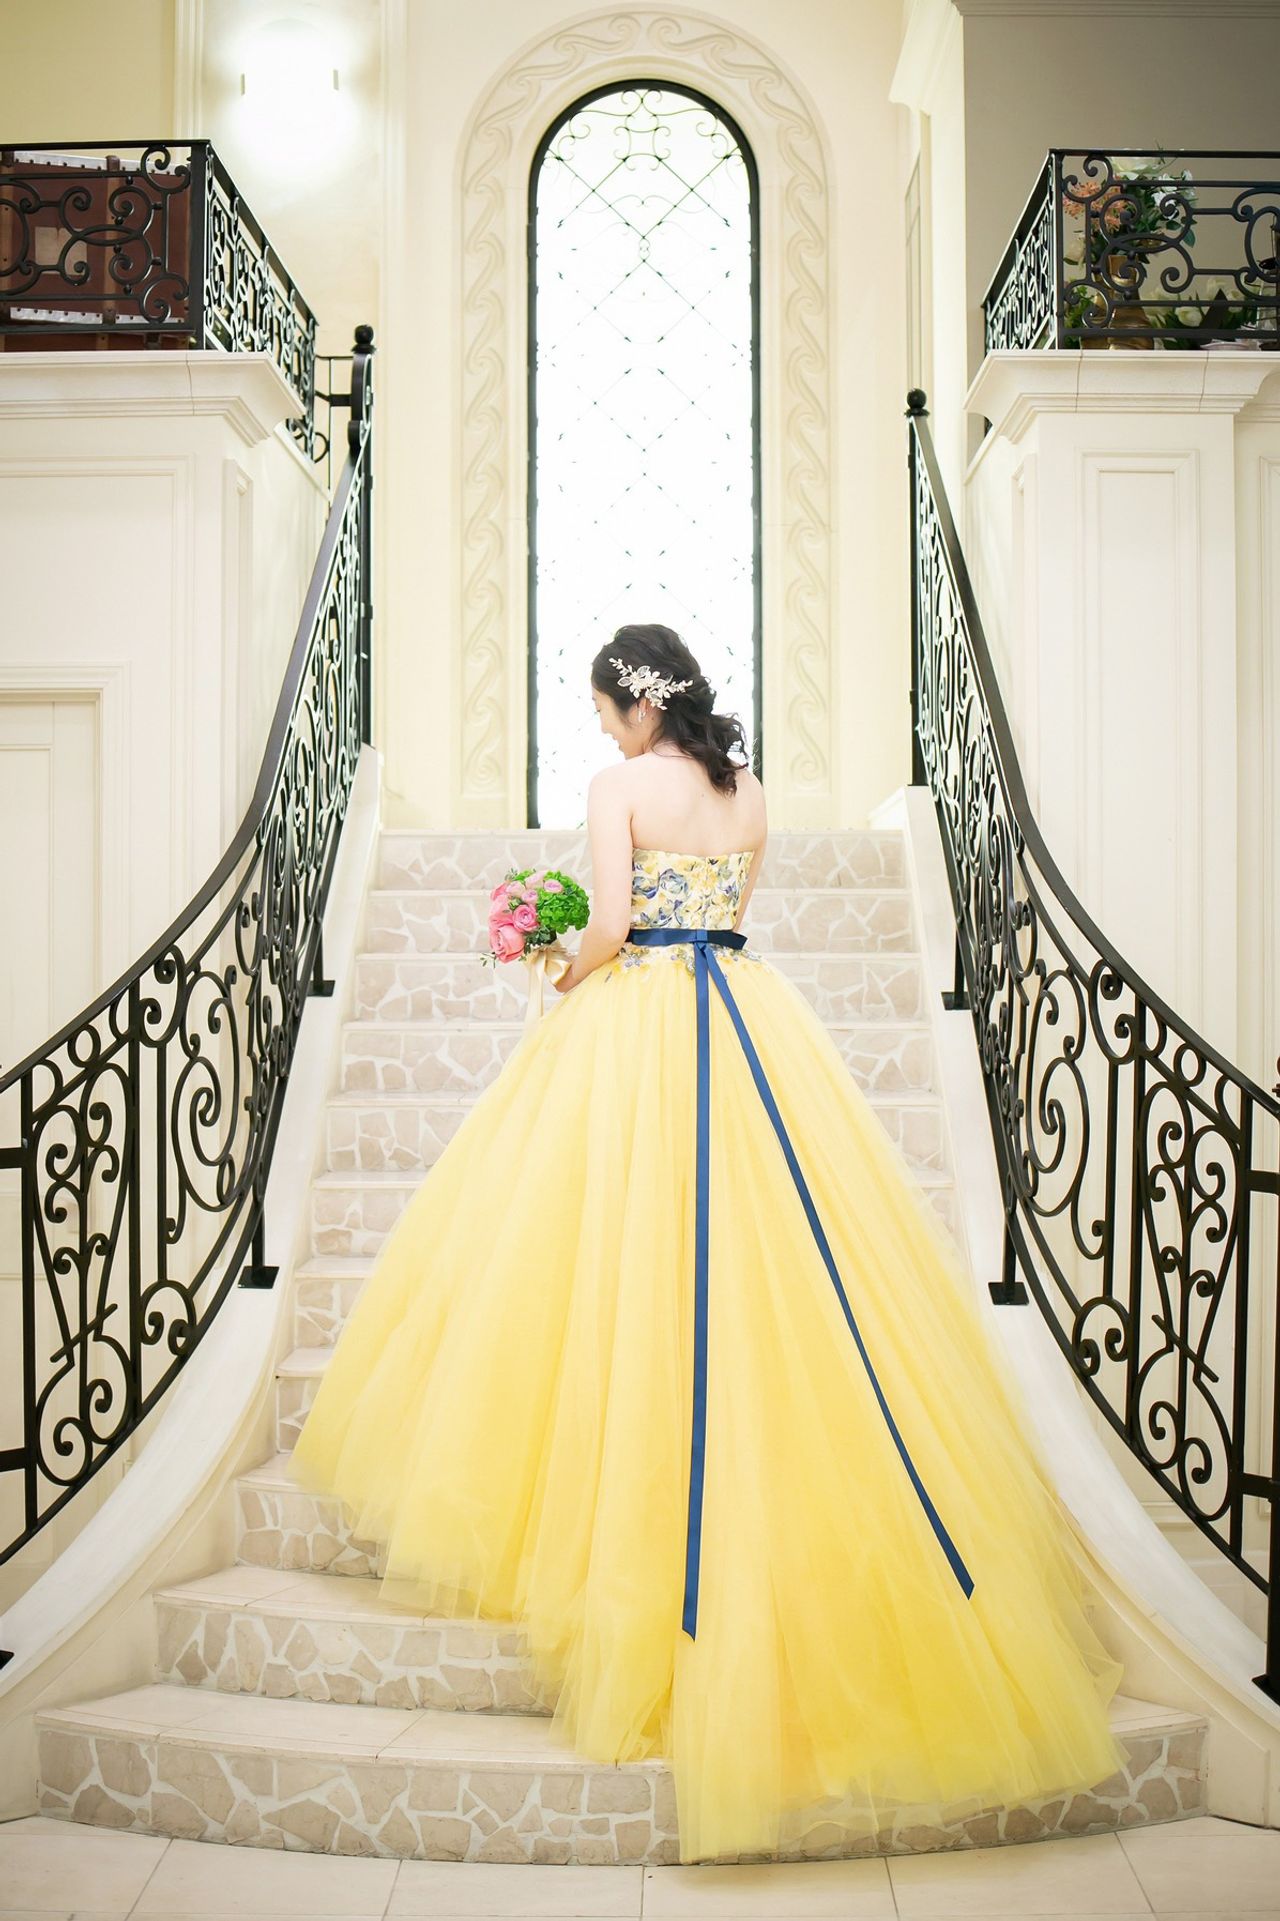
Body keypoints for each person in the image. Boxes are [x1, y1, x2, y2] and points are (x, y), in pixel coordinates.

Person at [289, 621, 1128, 1864]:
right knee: (774, 1266)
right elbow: (727, 917)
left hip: (636, 1026)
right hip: (743, 1018)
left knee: (610, 1265)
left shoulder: (619, 787)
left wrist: (554, 967)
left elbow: (613, 927)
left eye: (601, 710)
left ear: (636, 705)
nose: (601, 730)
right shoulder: (748, 791)